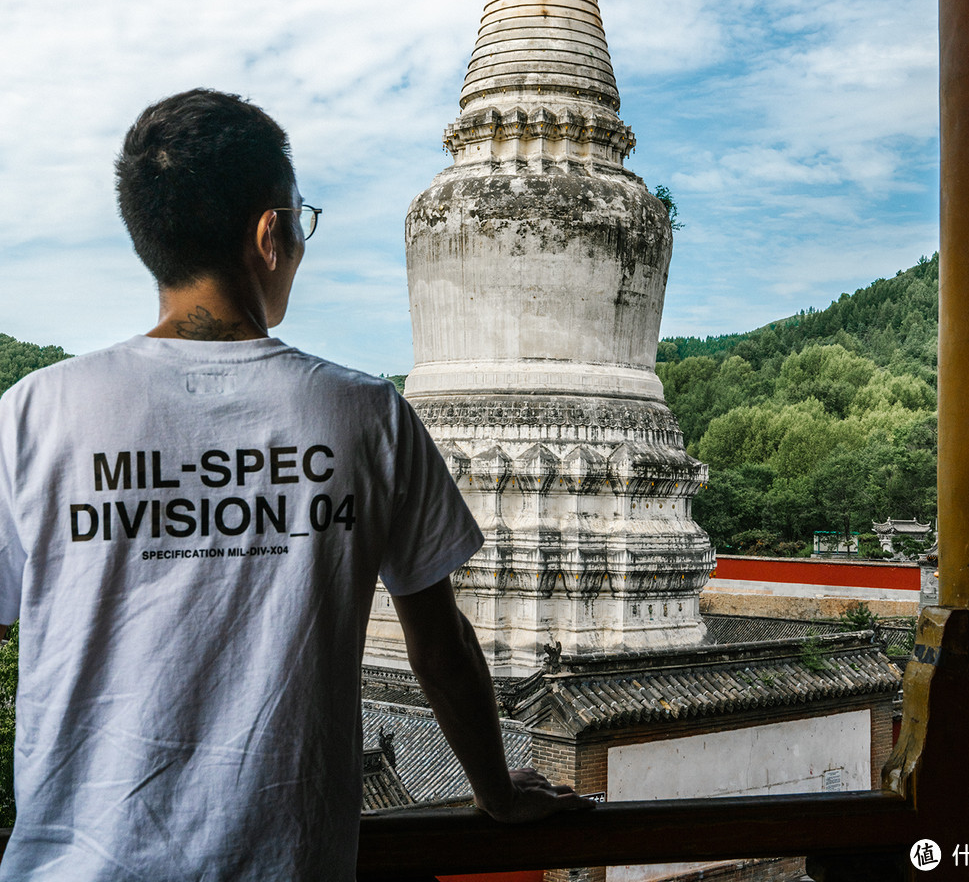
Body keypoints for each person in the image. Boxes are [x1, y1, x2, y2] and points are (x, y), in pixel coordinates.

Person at [0, 88, 588, 881]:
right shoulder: (366, 415)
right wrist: (498, 795)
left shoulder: (35, 413)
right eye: (300, 223)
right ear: (269, 234)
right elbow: (441, 647)